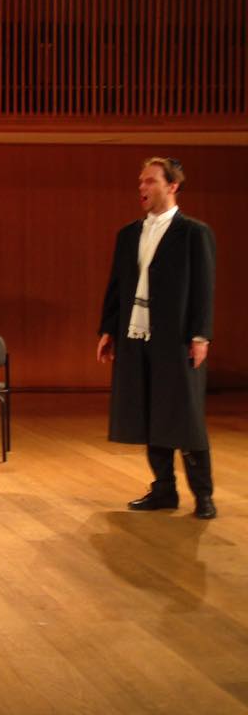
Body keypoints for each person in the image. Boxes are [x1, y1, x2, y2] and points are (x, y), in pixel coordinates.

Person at [97, 157, 217, 519]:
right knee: (150, 413)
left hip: (176, 338)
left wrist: (200, 335)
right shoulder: (128, 234)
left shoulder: (194, 233)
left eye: (150, 181)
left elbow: (204, 288)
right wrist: (108, 329)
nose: (142, 188)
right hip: (136, 336)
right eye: (140, 182)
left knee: (185, 416)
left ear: (172, 186)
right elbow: (117, 286)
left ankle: (203, 495)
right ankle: (164, 489)